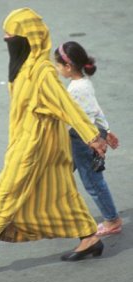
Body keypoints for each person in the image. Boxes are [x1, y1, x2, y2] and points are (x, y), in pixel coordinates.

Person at [0, 8, 108, 274]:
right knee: (59, 191)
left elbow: (66, 105)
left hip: (33, 147)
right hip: (34, 143)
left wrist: (93, 136)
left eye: (11, 36)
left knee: (6, 194)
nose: (6, 40)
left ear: (28, 38)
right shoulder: (24, 66)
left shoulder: (41, 71)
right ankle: (90, 238)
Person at [54, 41, 122, 236]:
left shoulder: (77, 89)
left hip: (82, 140)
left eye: (58, 65)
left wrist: (98, 139)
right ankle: (60, 212)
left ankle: (112, 220)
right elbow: (95, 109)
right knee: (62, 173)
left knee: (93, 181)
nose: (57, 69)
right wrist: (107, 130)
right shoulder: (83, 83)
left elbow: (84, 116)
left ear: (68, 66)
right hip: (82, 137)